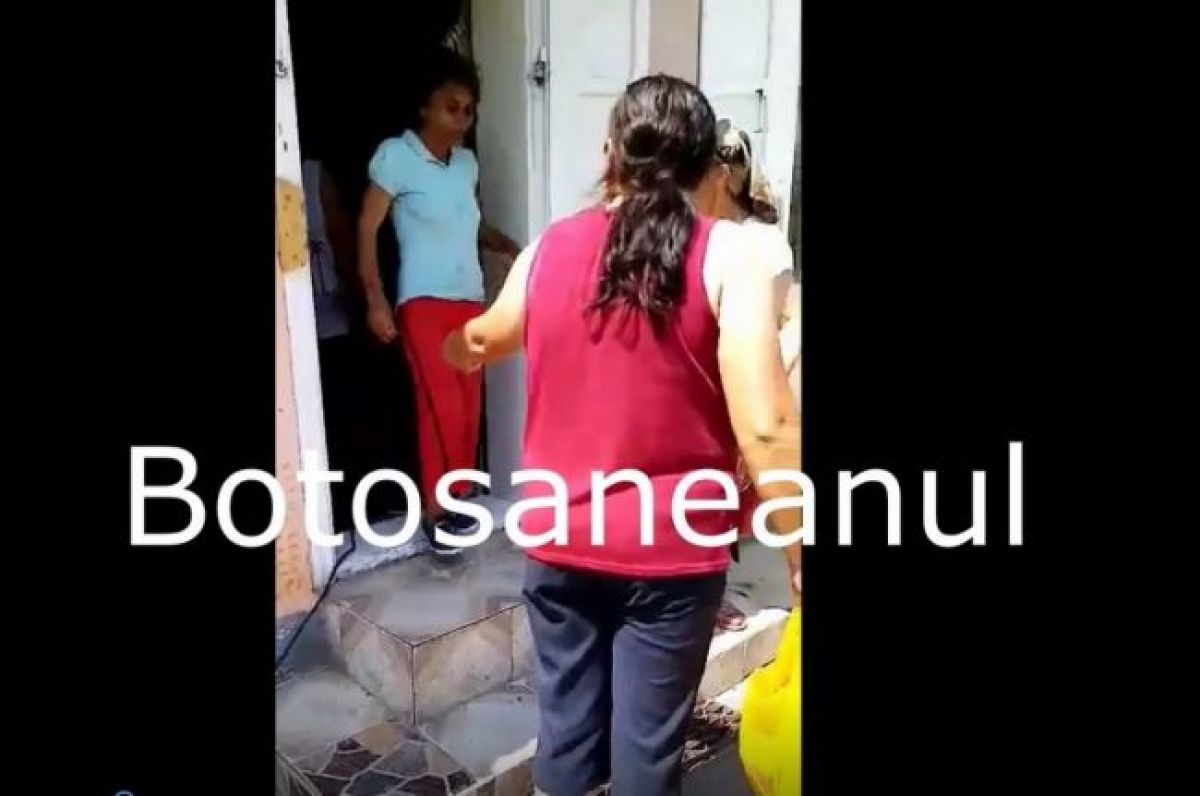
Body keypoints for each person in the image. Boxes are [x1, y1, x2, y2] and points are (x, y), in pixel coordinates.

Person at [442, 74, 801, 796]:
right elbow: (766, 426)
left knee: (568, 737)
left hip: (560, 540)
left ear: (610, 154)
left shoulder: (548, 249)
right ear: (708, 167)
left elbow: (483, 338)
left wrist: (455, 347)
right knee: (647, 749)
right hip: (670, 553)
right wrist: (800, 546)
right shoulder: (729, 255)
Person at [356, 47, 520, 555]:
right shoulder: (395, 156)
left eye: (468, 109)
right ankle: (436, 512)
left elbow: (469, 222)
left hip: (469, 300)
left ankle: (459, 500)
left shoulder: (466, 164)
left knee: (468, 409)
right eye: (451, 106)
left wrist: (508, 245)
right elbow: (366, 229)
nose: (461, 117)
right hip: (422, 302)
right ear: (424, 105)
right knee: (440, 407)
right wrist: (376, 300)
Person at [700, 119, 803, 630]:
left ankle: (716, 590)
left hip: (746, 377)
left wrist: (770, 389)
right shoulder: (692, 234)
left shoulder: (763, 242)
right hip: (702, 376)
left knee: (734, 488)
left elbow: (787, 321)